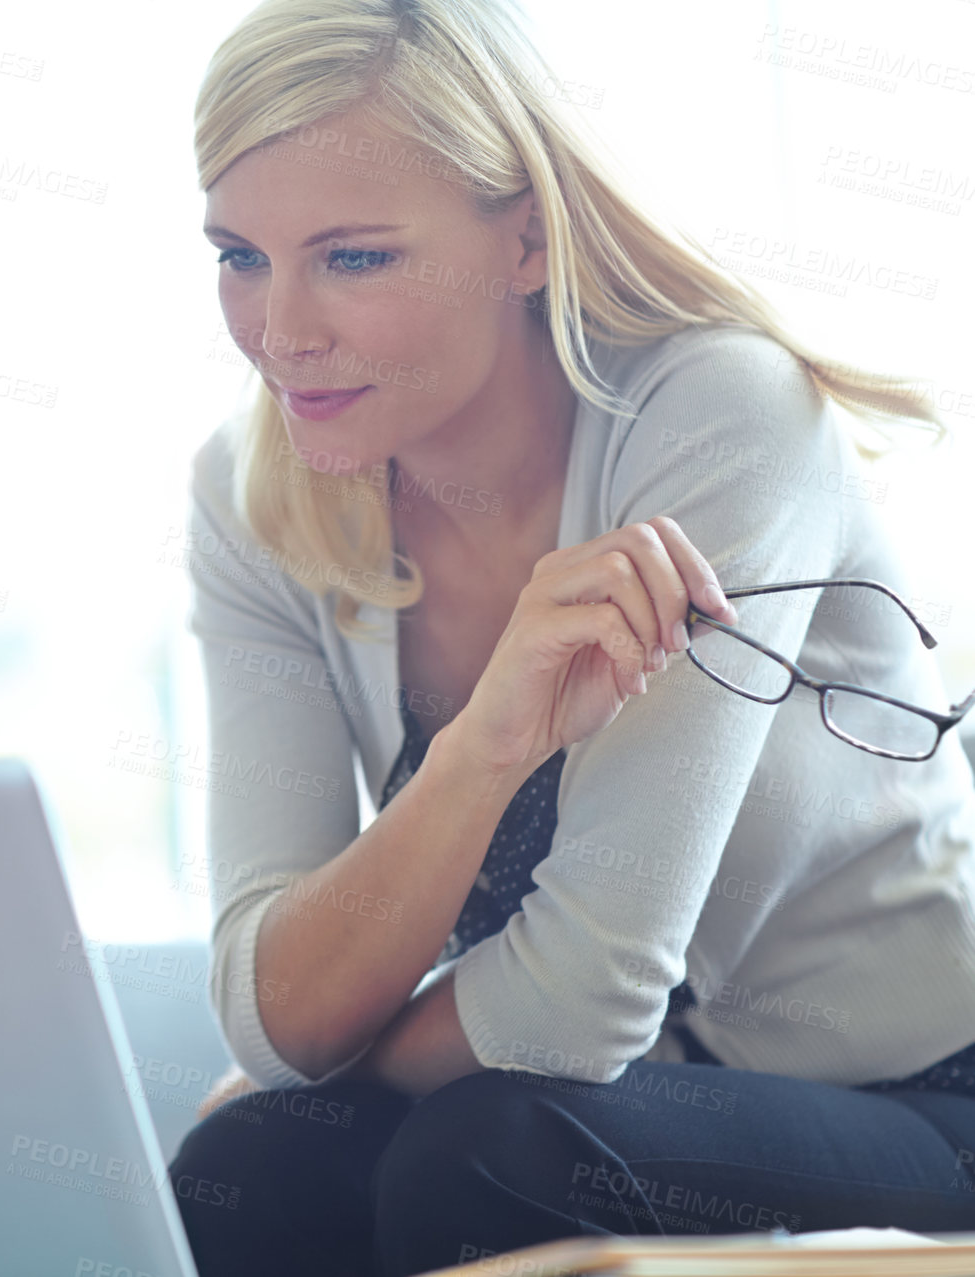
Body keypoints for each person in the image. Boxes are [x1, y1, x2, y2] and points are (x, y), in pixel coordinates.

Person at [165, 0, 975, 1273]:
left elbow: (578, 1002)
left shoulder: (720, 411)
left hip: (923, 1093)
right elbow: (269, 997)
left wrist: (326, 1058)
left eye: (354, 257)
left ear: (526, 241)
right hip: (590, 1094)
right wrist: (483, 744)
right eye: (239, 254)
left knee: (490, 1148)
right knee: (241, 1169)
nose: (282, 329)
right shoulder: (253, 496)